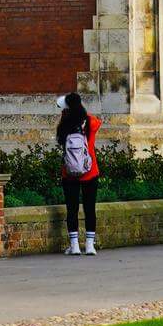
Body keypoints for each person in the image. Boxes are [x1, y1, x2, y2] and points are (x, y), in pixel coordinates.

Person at [56, 92, 99, 256]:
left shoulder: (64, 124)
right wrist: (81, 111)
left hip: (69, 172)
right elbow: (97, 122)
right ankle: (89, 245)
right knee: (90, 208)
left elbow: (60, 141)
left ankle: (74, 246)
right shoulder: (90, 122)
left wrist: (66, 113)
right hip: (90, 170)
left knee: (71, 209)